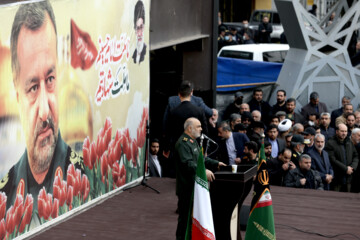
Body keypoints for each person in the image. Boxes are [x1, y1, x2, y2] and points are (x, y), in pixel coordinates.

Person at [0, 1, 83, 211]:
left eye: (50, 79)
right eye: (33, 87)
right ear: (17, 93)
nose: (45, 112)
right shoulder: (5, 193)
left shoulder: (84, 177)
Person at [174, 118, 225, 240]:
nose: (201, 129)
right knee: (185, 219)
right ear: (189, 128)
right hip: (186, 187)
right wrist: (203, 171)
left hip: (195, 187)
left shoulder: (193, 141)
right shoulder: (183, 143)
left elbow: (201, 160)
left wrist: (216, 163)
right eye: (198, 126)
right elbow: (188, 164)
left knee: (193, 218)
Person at [163, 81, 208, 176]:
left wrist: (166, 148)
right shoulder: (199, 111)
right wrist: (203, 149)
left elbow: (167, 130)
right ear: (191, 92)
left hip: (178, 147)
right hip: (195, 147)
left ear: (179, 94)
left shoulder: (173, 112)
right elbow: (205, 132)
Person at [325, 123, 358, 192]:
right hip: (337, 178)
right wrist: (345, 169)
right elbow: (332, 160)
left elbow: (356, 156)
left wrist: (352, 167)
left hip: (349, 178)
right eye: (342, 131)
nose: (344, 133)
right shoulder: (330, 143)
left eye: (345, 131)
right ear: (337, 131)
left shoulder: (349, 142)